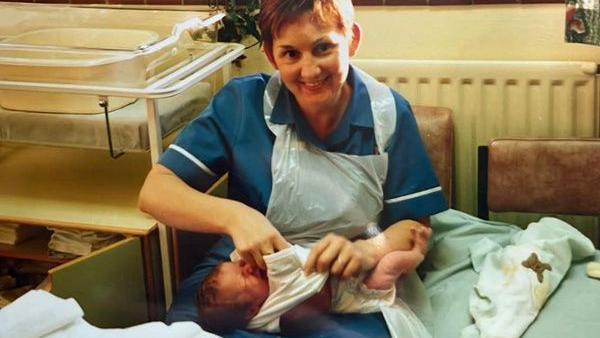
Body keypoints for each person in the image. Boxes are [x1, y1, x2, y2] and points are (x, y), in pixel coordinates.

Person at [138, 0, 447, 336]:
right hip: (246, 269)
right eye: (290, 54)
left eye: (323, 48)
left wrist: (368, 250)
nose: (310, 70)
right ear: (271, 55)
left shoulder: (387, 115)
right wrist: (237, 218)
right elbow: (155, 191)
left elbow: (415, 225)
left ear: (352, 40)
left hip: (339, 280)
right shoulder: (243, 104)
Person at [197, 225, 431, 335]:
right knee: (389, 267)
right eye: (245, 279)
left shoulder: (259, 275)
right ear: (254, 310)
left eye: (240, 266)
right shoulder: (272, 314)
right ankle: (415, 256)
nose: (248, 267)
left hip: (356, 251)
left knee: (381, 250)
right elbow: (310, 301)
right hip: (361, 291)